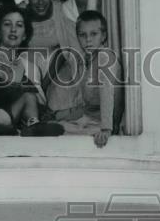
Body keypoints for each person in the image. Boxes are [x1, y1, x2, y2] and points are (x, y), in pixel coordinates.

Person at [0, 5, 64, 137]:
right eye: (7, 24)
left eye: (19, 25)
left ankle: (31, 129)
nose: (13, 30)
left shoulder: (31, 68)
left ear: (24, 36)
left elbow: (38, 103)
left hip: (20, 123)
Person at [53, 10, 124, 147]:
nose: (88, 40)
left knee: (58, 132)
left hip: (103, 125)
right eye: (82, 35)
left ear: (103, 36)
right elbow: (87, 104)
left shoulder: (105, 57)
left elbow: (107, 92)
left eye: (93, 34)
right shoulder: (87, 59)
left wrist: (106, 129)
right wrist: (60, 114)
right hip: (89, 119)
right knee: (58, 126)